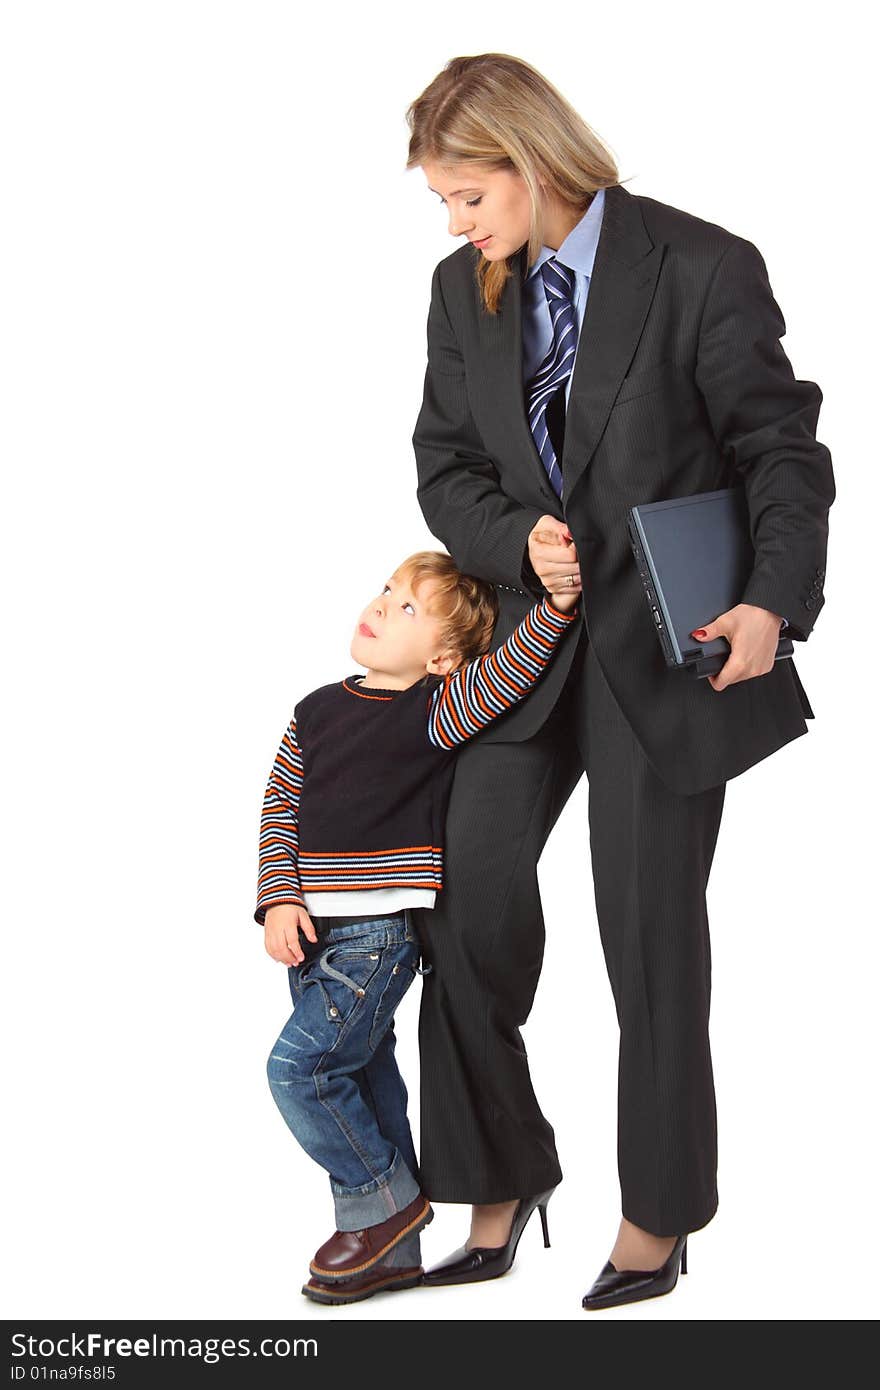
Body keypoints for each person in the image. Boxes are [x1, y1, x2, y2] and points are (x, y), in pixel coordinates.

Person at [405, 53, 835, 1310]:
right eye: (441, 203)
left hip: (667, 652)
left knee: (646, 939)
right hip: (523, 654)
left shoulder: (700, 266)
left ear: (532, 168)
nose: (453, 225)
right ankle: (499, 1178)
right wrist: (508, 541)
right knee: (465, 899)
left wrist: (772, 600)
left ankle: (657, 1215)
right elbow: (443, 464)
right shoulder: (459, 292)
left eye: (467, 197)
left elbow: (780, 450)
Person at [254, 549, 580, 1305]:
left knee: (299, 1071)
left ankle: (386, 1202)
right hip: (310, 939)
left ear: (439, 656)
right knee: (362, 1077)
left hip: (375, 940)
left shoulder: (434, 710)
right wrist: (279, 899)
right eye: (387, 591)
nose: (381, 604)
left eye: (407, 608)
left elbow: (506, 677)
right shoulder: (314, 711)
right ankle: (391, 1252)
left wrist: (556, 612)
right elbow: (279, 810)